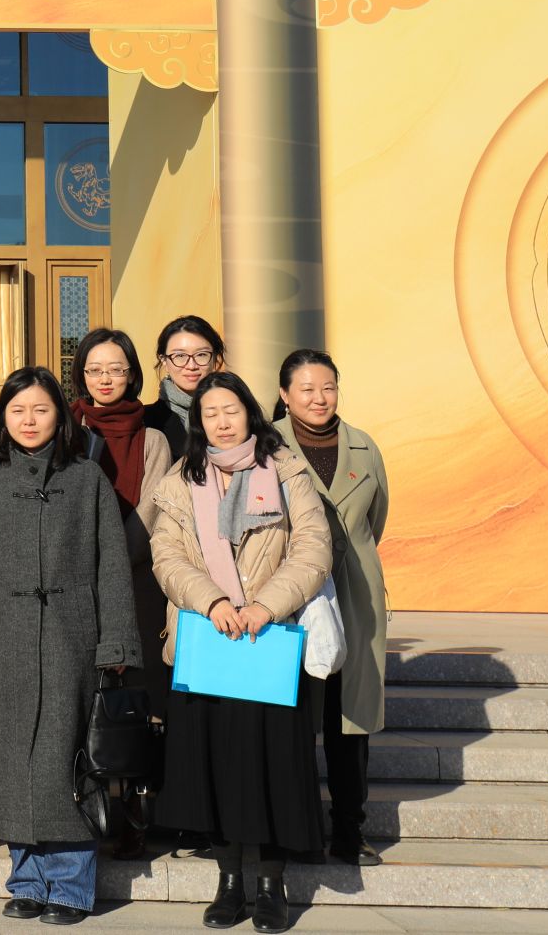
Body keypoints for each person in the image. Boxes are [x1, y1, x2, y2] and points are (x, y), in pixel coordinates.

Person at [0, 366, 138, 927]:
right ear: (2, 419)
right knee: (12, 763)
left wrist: (115, 641)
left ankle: (71, 886)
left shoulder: (87, 480)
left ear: (61, 415)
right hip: (3, 639)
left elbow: (112, 565)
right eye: (18, 410)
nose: (29, 420)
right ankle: (27, 880)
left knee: (66, 762)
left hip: (72, 636)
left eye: (41, 409)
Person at [148, 372, 331, 935]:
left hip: (269, 642)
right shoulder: (181, 480)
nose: (222, 422)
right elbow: (166, 555)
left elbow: (312, 547)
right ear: (198, 423)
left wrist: (266, 606)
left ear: (250, 412)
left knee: (274, 766)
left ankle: (272, 886)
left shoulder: (287, 471)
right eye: (210, 414)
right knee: (214, 767)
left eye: (231, 410)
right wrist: (212, 601)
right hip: (210, 642)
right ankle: (229, 882)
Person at [273, 349, 389, 869]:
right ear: (285, 394)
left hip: (354, 596)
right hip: (290, 598)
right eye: (306, 389)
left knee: (349, 721)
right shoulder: (265, 445)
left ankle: (349, 830)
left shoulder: (364, 447)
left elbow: (375, 520)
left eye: (328, 387)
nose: (319, 399)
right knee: (294, 719)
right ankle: (296, 830)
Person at [69, 326, 174, 858]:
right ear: (81, 374)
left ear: (132, 374)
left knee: (135, 699)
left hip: (135, 581)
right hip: (70, 583)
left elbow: (151, 511)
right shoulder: (65, 426)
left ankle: (134, 814)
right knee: (80, 697)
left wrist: (105, 560)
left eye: (115, 369)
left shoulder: (154, 439)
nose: (105, 379)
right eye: (95, 369)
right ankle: (83, 808)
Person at [145, 314, 226, 461]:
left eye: (201, 355)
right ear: (164, 361)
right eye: (180, 356)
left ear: (214, 358)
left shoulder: (235, 413)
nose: (191, 365)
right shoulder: (146, 421)